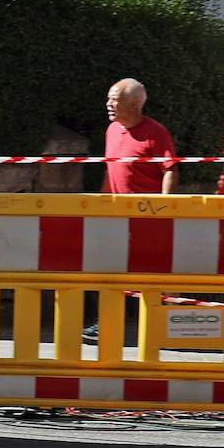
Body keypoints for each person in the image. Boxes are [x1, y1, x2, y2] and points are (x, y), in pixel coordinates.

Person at [86, 78, 179, 343]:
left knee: (149, 274)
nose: (108, 104)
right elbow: (111, 169)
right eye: (109, 98)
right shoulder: (112, 130)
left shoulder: (155, 132)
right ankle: (106, 323)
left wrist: (164, 208)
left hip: (146, 219)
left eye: (114, 99)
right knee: (110, 270)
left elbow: (170, 170)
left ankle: (160, 328)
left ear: (135, 103)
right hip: (117, 217)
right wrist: (103, 204)